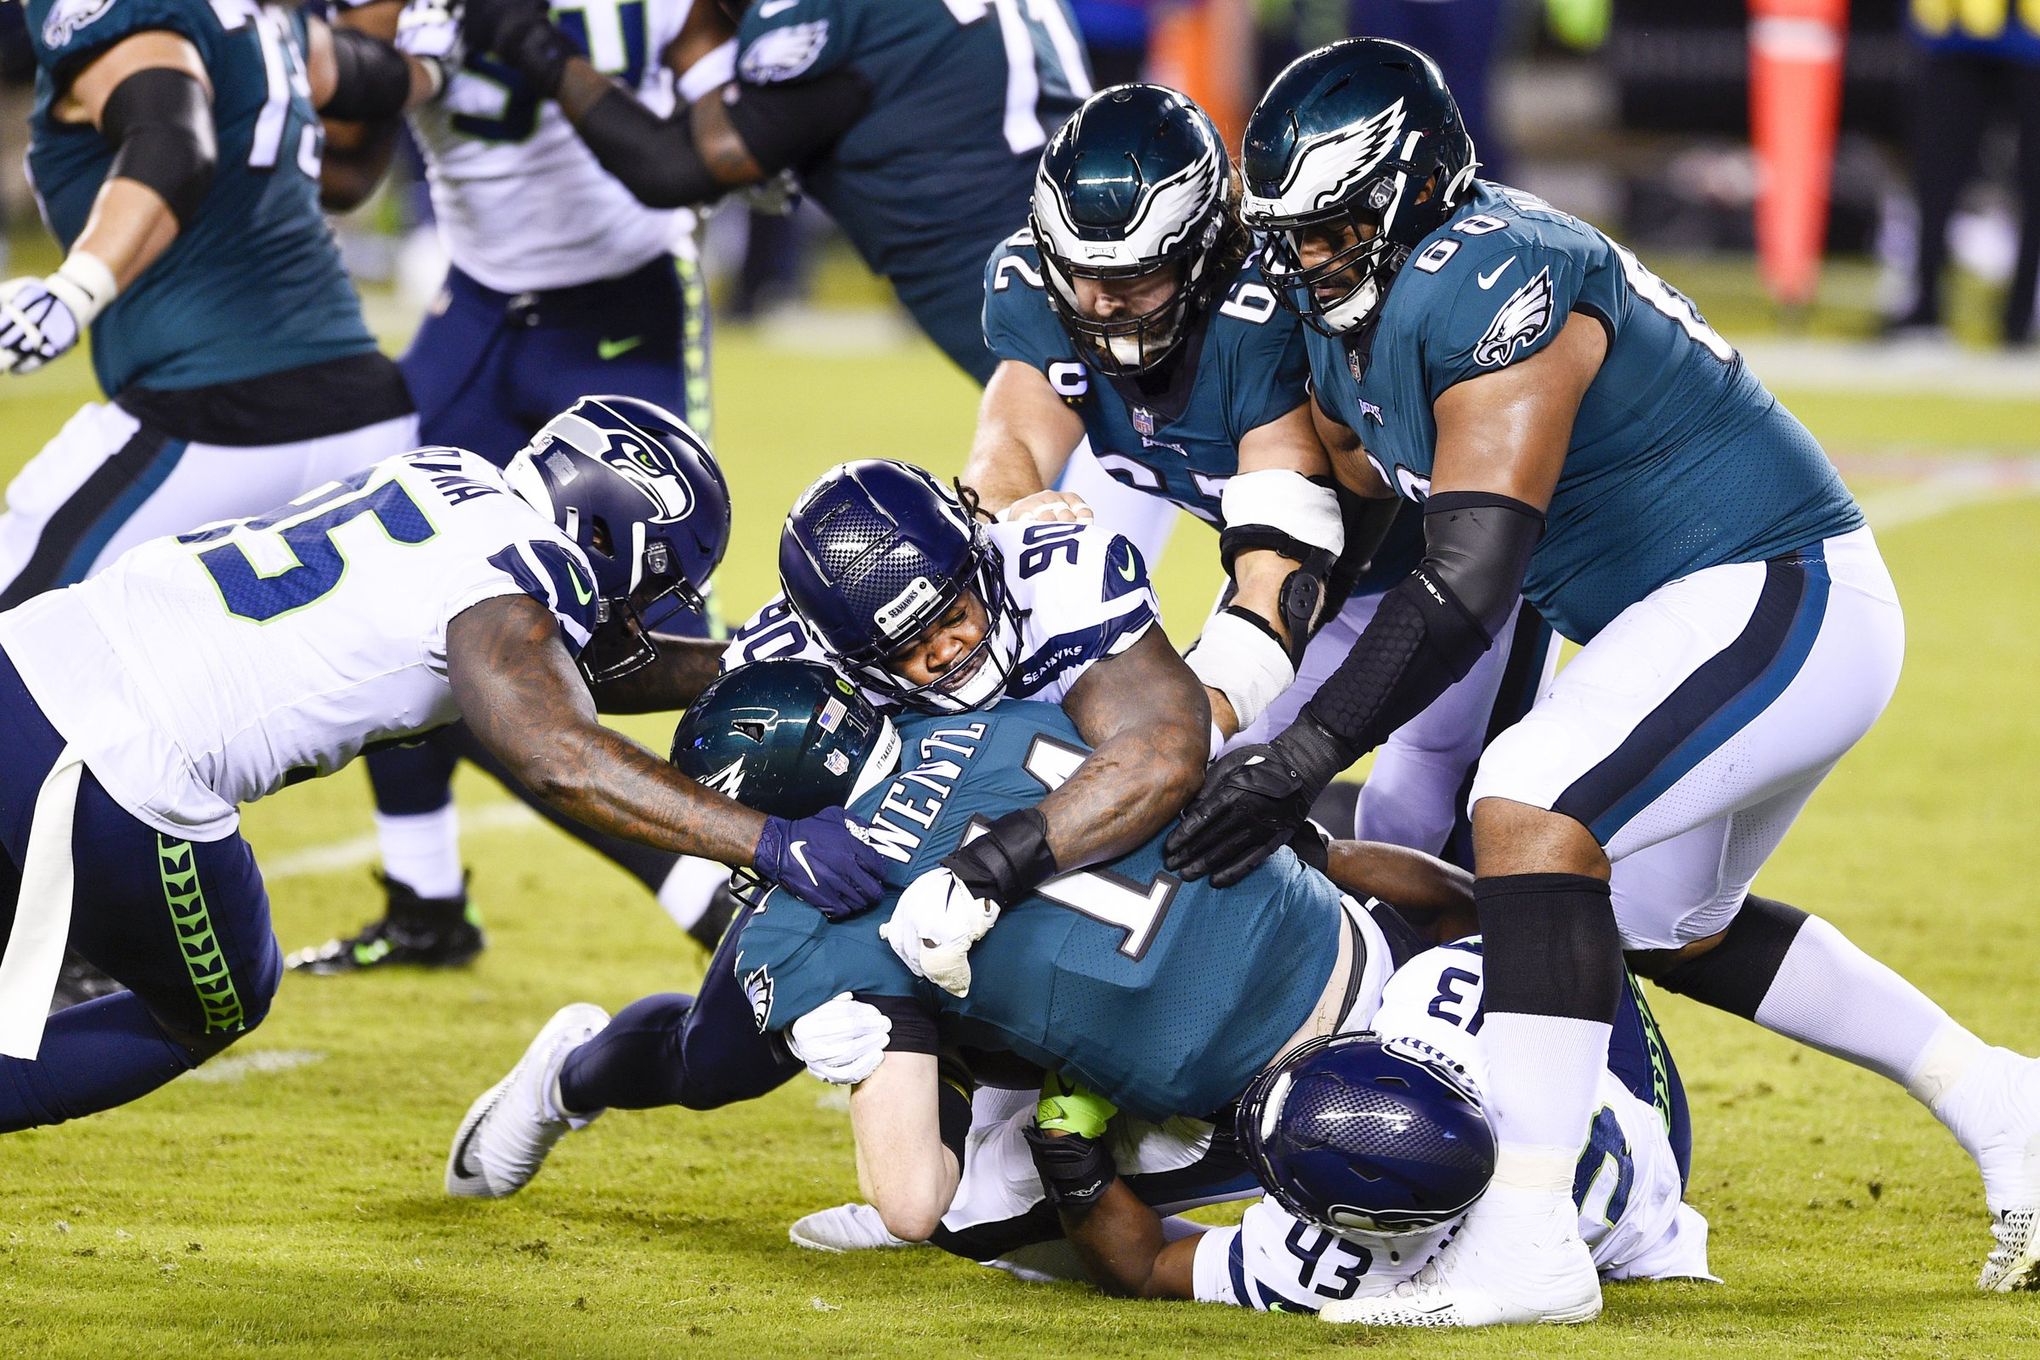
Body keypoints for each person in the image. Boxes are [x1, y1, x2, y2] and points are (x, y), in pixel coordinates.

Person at [1162, 38, 2040, 1321]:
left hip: (1776, 582)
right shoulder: (1343, 313)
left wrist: (1299, 756)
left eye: (1337, 225)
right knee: (1651, 921)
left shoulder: (1501, 277)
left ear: (1415, 193)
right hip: (1661, 616)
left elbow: (1466, 579)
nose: (1308, 259)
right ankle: (1998, 1093)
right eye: (1289, 233)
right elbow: (1352, 521)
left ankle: (1528, 1236)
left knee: (1527, 805)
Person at [0, 399, 883, 1131]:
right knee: (213, 1001)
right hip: (117, 760)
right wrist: (766, 842)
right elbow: (558, 754)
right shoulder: (528, 580)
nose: (645, 612)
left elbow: (547, 668)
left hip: (31, 653)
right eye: (657, 584)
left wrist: (734, 663)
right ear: (618, 536)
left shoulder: (447, 478)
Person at [442, 661, 1472, 1232]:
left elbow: (907, 1203)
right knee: (1281, 833)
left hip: (1252, 1101)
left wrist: (866, 1047)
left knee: (970, 1213)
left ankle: (578, 1076)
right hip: (1358, 951)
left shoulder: (812, 930)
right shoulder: (1000, 712)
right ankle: (567, 1077)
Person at [963, 80, 1554, 859]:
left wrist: (1171, 733)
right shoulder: (1037, 292)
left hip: (1441, 571)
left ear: (1203, 252)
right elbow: (1005, 450)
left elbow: (1289, 561)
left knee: (1421, 808)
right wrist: (1010, 513)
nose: (1104, 307)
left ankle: (1519, 974)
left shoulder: (1265, 318)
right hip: (1293, 571)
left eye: (1135, 279)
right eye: (1085, 276)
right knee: (1206, 795)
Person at [288, 0, 737, 972]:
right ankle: (425, 900)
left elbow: (716, 130)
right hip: (480, 308)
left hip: (622, 304)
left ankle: (742, 878)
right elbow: (348, 168)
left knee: (656, 601)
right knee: (399, 571)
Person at [979, 945, 1713, 1311]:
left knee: (1564, 916)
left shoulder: (1339, 1263)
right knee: (1569, 931)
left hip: (1639, 1187)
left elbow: (1141, 1268)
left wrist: (1067, 1152)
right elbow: (1513, 915)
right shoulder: (1449, 1004)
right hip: (1636, 1143)